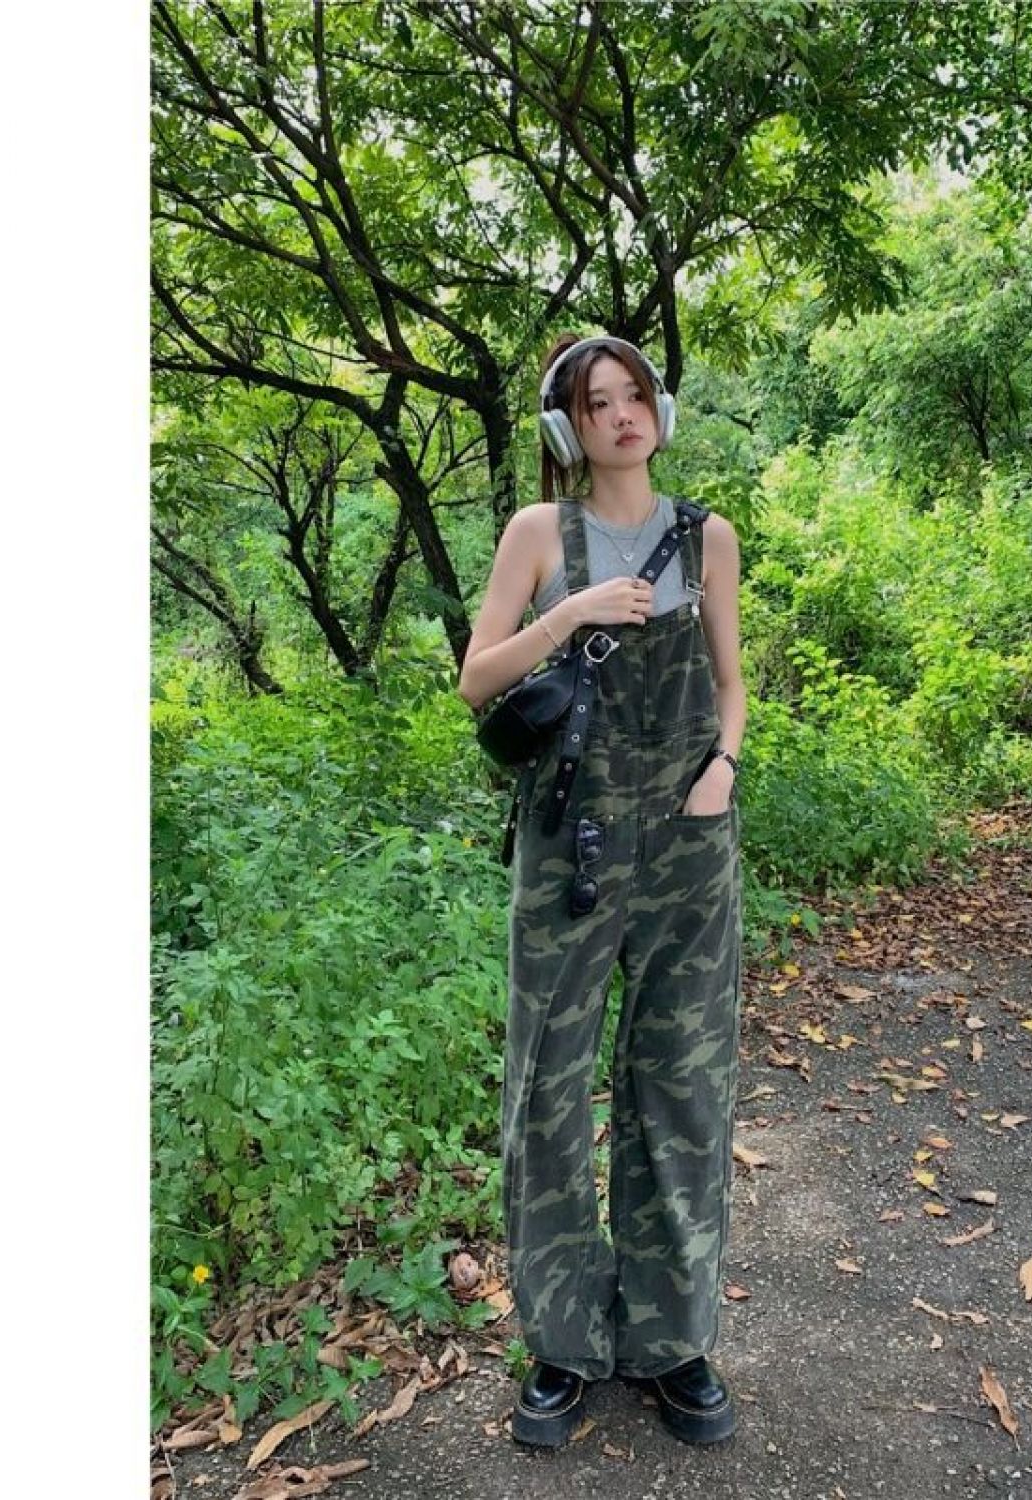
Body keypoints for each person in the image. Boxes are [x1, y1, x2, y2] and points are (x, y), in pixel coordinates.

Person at [458, 333, 746, 1447]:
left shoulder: (707, 535)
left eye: (635, 394)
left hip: (686, 837)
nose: (622, 414)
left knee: (682, 1078)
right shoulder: (541, 533)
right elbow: (478, 678)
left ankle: (673, 1342)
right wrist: (567, 614)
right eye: (596, 402)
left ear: (659, 410)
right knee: (547, 1079)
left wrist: (723, 771)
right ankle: (564, 1343)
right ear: (565, 427)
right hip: (567, 840)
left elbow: (730, 683)